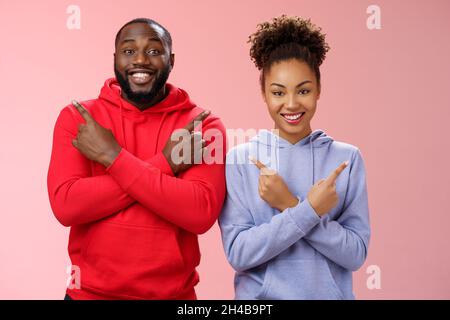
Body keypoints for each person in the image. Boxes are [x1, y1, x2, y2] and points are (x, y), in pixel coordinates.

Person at [47, 18, 226, 300]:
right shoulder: (79, 118)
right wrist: (164, 164)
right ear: (115, 58)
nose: (140, 60)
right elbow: (67, 206)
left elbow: (200, 212)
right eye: (129, 51)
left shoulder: (203, 125)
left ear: (171, 60)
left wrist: (112, 157)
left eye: (154, 51)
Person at [219, 15, 370, 300]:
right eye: (278, 92)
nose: (291, 104)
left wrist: (290, 204)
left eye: (303, 90)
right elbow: (238, 254)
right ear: (264, 93)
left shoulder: (347, 159)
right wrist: (308, 210)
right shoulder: (241, 160)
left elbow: (355, 255)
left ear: (319, 90)